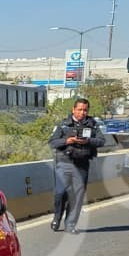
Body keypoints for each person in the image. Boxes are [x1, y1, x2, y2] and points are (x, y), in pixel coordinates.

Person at [48, 97, 106, 234]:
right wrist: (67, 141)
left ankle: (70, 224)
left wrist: (88, 141)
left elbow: (101, 141)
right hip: (64, 162)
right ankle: (57, 216)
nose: (82, 112)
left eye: (85, 110)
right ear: (73, 109)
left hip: (82, 164)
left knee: (77, 196)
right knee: (60, 192)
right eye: (79, 109)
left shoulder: (93, 125)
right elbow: (52, 142)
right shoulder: (63, 124)